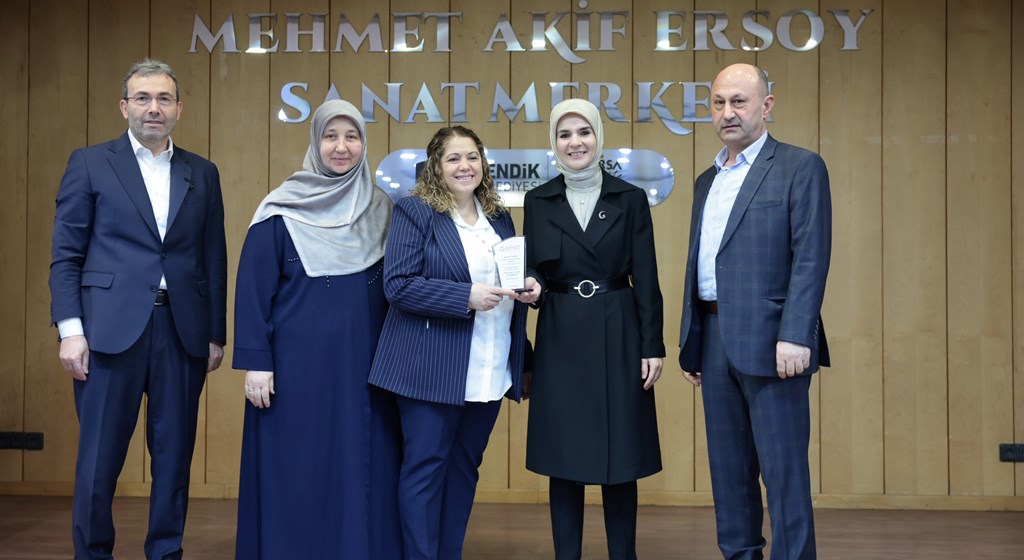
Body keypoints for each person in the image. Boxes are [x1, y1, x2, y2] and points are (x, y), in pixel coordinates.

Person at [49, 58, 227, 559]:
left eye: (164, 98)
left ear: (179, 109)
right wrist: (70, 330)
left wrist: (215, 333)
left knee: (174, 460)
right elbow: (66, 255)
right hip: (107, 332)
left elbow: (213, 257)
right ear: (124, 106)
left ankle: (166, 552)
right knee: (99, 461)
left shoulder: (202, 172)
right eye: (143, 98)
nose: (154, 108)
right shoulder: (90, 163)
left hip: (182, 332)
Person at [232, 99, 402, 559]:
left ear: (364, 144)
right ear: (315, 142)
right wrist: (257, 363)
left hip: (368, 370)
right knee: (299, 468)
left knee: (363, 465)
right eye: (330, 136)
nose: (341, 147)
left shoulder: (383, 209)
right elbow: (252, 292)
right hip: (295, 373)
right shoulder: (280, 210)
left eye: (352, 137)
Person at [678, 63, 832, 560]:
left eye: (739, 101)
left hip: (775, 343)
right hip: (714, 339)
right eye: (719, 102)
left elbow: (810, 256)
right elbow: (702, 264)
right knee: (729, 474)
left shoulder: (799, 167)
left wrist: (797, 334)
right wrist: (693, 339)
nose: (728, 112)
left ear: (766, 106)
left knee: (784, 475)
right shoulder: (706, 180)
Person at [368, 126, 535, 560]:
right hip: (431, 368)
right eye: (453, 158)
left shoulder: (498, 214)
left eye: (472, 157)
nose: (465, 166)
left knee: (464, 470)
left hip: (490, 366)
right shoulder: (415, 210)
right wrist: (465, 296)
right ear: (435, 167)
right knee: (425, 471)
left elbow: (509, 275)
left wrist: (528, 285)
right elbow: (398, 285)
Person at [522, 98, 665, 560]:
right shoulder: (538, 200)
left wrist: (653, 345)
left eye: (583, 132)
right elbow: (535, 269)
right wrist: (532, 284)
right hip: (560, 332)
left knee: (620, 457)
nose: (575, 142)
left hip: (619, 329)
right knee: (563, 458)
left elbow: (646, 277)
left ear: (598, 137)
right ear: (554, 143)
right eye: (564, 134)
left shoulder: (629, 198)